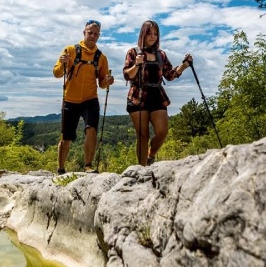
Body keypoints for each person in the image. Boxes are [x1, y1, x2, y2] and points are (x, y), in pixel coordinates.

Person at [123, 19, 192, 166]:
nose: (153, 36)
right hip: (138, 95)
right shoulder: (133, 52)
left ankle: (151, 155)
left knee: (162, 132)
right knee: (143, 136)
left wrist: (184, 65)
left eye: (155, 34)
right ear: (143, 34)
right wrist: (137, 64)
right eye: (149, 33)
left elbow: (169, 75)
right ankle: (142, 170)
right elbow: (128, 75)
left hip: (157, 95)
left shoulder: (161, 54)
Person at [53, 19, 114, 174]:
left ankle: (88, 166)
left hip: (90, 99)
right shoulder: (70, 50)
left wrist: (107, 81)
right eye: (90, 32)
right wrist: (62, 63)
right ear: (84, 33)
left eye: (95, 33)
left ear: (99, 35)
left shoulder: (101, 58)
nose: (92, 36)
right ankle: (61, 169)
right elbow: (57, 73)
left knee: (91, 130)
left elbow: (102, 83)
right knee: (66, 137)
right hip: (70, 99)